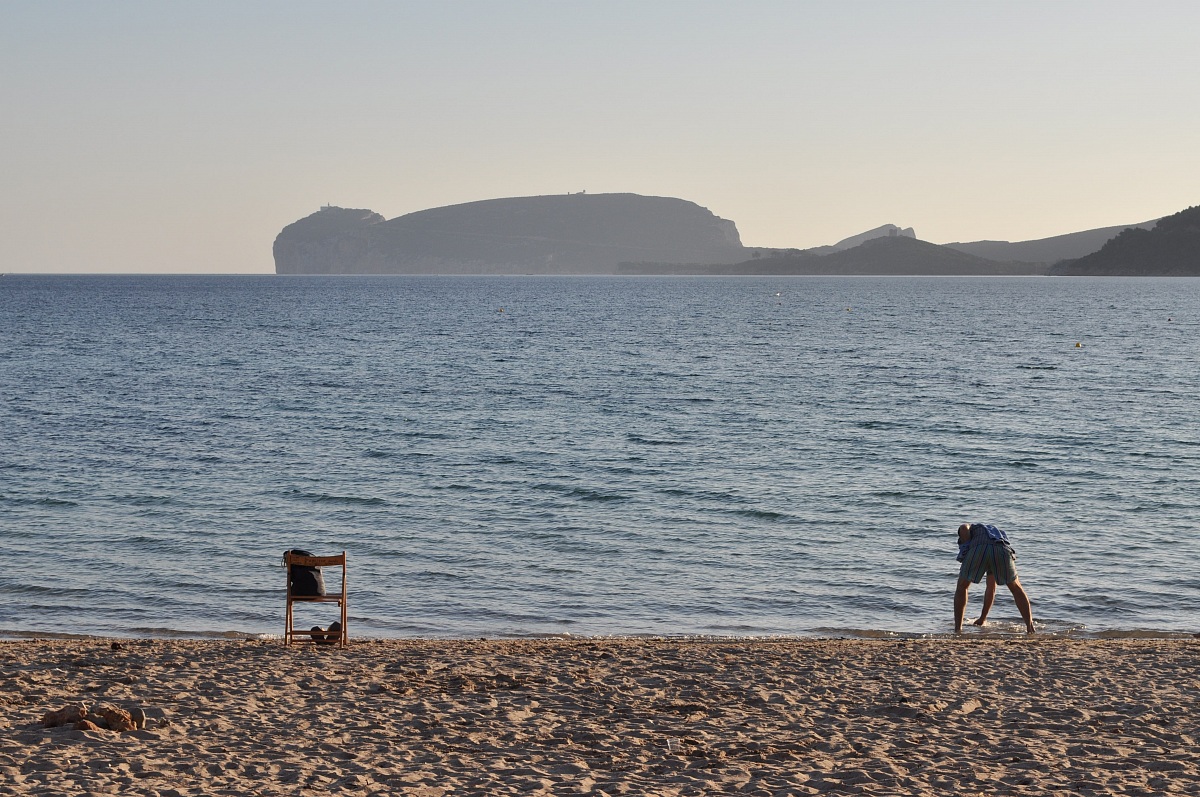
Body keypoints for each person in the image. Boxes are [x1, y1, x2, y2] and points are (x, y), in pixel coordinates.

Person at [954, 522, 1035, 634]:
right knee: (1016, 588)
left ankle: (958, 629)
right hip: (1001, 549)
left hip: (979, 549)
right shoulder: (995, 534)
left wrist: (966, 546)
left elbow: (963, 527)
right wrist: (982, 618)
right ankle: (1030, 628)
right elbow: (991, 589)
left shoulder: (973, 528)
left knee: (962, 587)